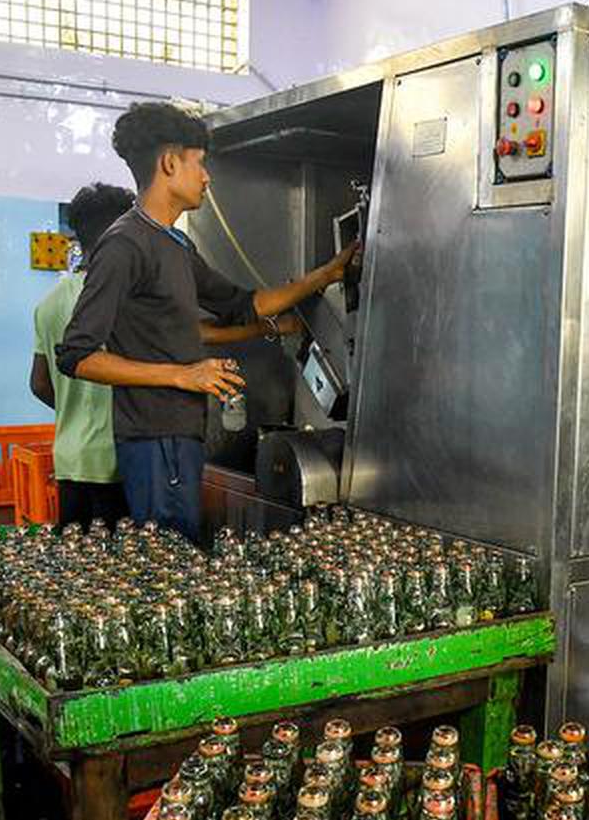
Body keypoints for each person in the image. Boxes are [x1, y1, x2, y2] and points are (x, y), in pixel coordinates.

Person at [56, 101, 356, 541]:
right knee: (168, 563)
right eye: (199, 163)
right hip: (153, 439)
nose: (207, 176)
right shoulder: (124, 245)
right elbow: (76, 355)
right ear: (169, 163)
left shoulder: (174, 246)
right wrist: (184, 375)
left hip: (181, 436)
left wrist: (325, 275)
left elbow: (242, 304)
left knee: (175, 554)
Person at [30, 182, 135, 529]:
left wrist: (75, 410)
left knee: (80, 568)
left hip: (70, 459)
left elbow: (40, 384)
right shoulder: (119, 299)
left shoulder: (49, 303)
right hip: (114, 463)